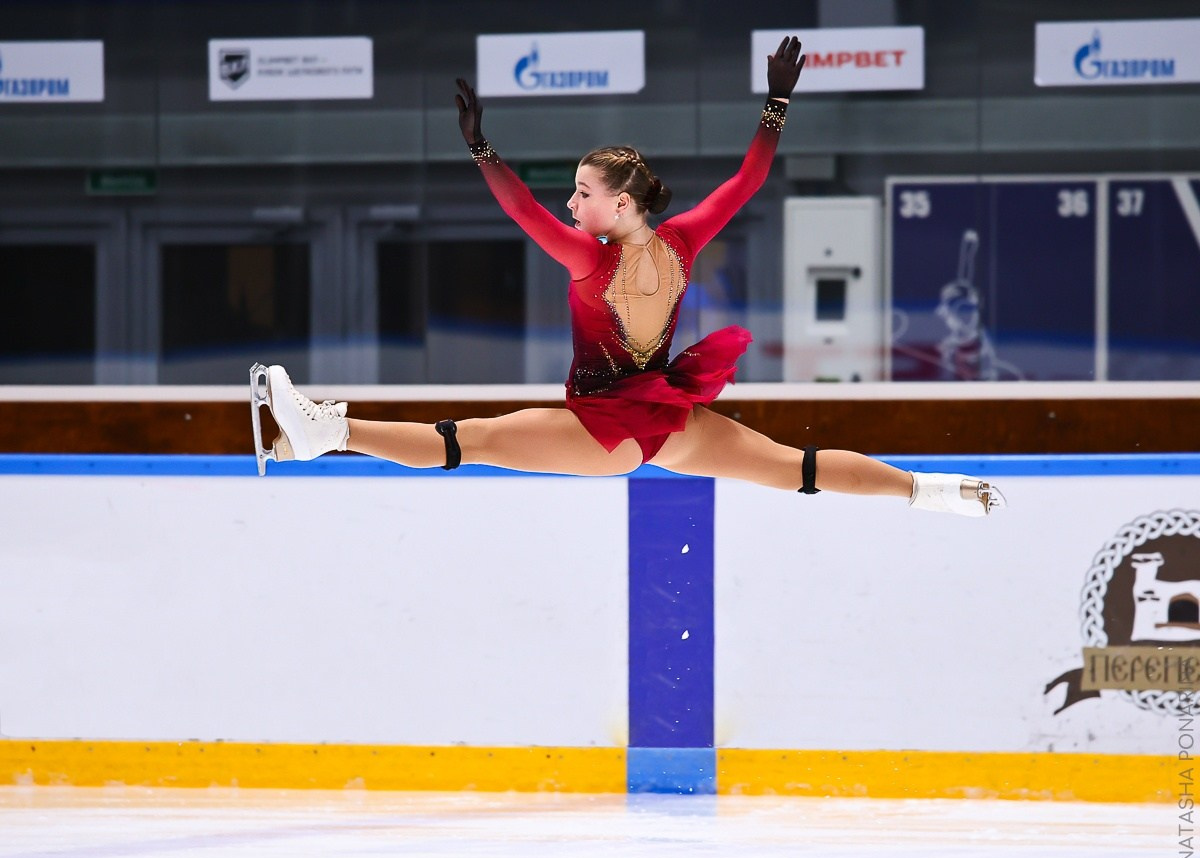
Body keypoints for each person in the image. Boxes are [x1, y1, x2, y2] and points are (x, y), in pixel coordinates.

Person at [251, 37, 1004, 517]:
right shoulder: (681, 240)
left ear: (619, 202)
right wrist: (776, 104)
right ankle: (934, 492)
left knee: (465, 442)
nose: (570, 203)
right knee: (795, 469)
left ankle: (329, 430)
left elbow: (523, 216)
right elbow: (746, 181)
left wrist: (483, 153)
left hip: (608, 425)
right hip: (666, 417)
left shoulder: (593, 258)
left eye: (581, 191)